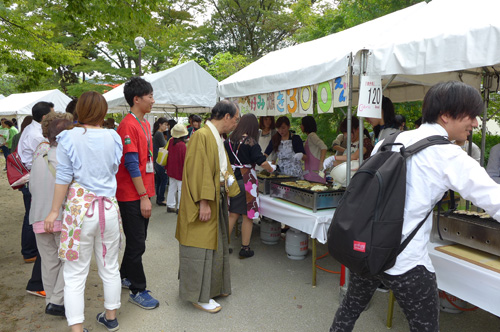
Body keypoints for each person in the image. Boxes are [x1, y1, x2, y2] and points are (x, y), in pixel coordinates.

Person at [329, 81, 500, 332]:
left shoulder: (391, 140)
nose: (475, 123)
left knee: (350, 309)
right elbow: (494, 200)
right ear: (445, 115)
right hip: (406, 261)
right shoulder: (449, 155)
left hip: (368, 246)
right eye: (471, 115)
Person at [44, 91, 123, 332]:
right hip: (108, 208)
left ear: (79, 111)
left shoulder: (69, 137)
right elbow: (113, 168)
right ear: (103, 111)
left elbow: (64, 177)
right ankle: (111, 318)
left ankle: (77, 328)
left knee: (75, 273)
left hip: (79, 212)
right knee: (109, 266)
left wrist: (53, 211)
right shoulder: (114, 136)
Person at [175, 100, 240, 313]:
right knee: (200, 245)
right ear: (227, 117)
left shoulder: (215, 136)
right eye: (236, 119)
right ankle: (199, 296)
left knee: (217, 242)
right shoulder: (201, 136)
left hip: (217, 196)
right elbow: (197, 171)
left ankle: (214, 287)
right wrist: (203, 202)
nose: (236, 124)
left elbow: (222, 167)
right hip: (205, 199)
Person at [115, 77, 160, 310]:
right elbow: (131, 164)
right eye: (150, 96)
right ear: (136, 99)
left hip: (142, 190)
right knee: (137, 243)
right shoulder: (128, 125)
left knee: (138, 240)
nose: (153, 100)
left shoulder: (144, 123)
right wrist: (144, 196)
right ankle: (137, 289)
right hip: (132, 194)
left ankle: (124, 276)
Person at [30, 112, 73, 317]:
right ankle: (57, 301)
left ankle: (51, 301)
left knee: (49, 263)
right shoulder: (66, 156)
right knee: (70, 261)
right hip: (60, 216)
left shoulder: (39, 153)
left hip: (37, 216)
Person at [225, 113, 276, 258]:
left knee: (233, 213)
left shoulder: (228, 139)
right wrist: (271, 169)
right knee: (248, 215)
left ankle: (222, 245)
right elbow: (261, 161)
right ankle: (245, 248)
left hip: (231, 178)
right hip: (246, 180)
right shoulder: (250, 141)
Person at [18, 101, 53, 297]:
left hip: (34, 181)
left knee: (32, 219)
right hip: (35, 182)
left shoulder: (33, 130)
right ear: (45, 117)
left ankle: (29, 252)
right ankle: (36, 280)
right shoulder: (37, 135)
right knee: (39, 226)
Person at [165, 123, 188, 213]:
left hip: (171, 168)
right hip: (180, 170)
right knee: (181, 189)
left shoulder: (171, 141)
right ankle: (180, 207)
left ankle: (170, 205)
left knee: (172, 187)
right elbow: (184, 159)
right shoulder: (182, 145)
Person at [301, 115, 327, 183]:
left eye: (302, 124)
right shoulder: (309, 137)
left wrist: (321, 163)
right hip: (310, 169)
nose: (300, 126)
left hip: (315, 168)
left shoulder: (312, 136)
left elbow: (324, 147)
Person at [152, 117, 169, 206]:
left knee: (159, 180)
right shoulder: (159, 134)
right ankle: (161, 199)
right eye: (165, 124)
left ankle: (159, 198)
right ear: (160, 124)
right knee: (164, 179)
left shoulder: (157, 133)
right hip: (160, 160)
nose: (166, 126)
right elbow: (164, 145)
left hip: (156, 160)